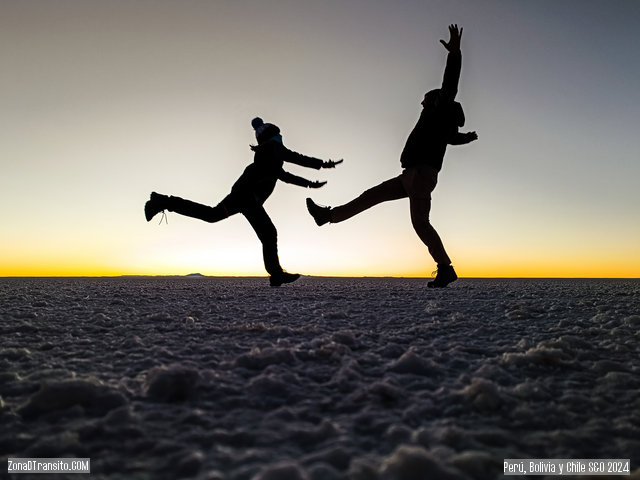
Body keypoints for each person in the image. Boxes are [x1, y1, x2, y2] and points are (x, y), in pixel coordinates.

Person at [306, 24, 477, 288]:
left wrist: (455, 54)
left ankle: (445, 268)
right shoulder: (439, 125)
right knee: (371, 196)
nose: (420, 103)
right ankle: (327, 216)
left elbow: (450, 85)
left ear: (434, 101)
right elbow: (453, 138)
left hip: (420, 175)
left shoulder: (438, 111)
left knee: (421, 224)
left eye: (423, 100)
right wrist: (467, 137)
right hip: (411, 175)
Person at [144, 117, 342, 286]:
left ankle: (162, 201)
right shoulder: (272, 149)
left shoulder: (269, 157)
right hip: (246, 199)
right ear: (272, 137)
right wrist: (322, 164)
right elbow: (295, 157)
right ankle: (276, 274)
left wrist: (310, 184)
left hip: (244, 198)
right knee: (266, 232)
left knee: (215, 217)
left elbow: (285, 176)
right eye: (278, 136)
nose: (281, 139)